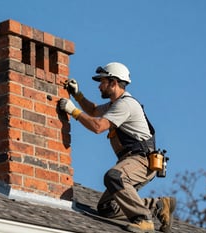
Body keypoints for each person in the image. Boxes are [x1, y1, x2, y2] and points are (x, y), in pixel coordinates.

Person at [59, 62, 176, 233]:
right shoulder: (115, 104)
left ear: (113, 82)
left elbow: (98, 126)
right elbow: (93, 111)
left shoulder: (125, 104)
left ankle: (143, 220)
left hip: (141, 160)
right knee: (108, 208)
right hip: (134, 161)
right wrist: (77, 95)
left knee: (114, 177)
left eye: (102, 81)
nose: (99, 86)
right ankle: (157, 205)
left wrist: (73, 111)